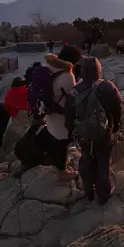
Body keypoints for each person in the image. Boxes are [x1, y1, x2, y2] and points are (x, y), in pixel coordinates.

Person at [65, 56, 123, 204]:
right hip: (104, 132)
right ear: (98, 70)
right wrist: (116, 125)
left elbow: (68, 115)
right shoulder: (107, 87)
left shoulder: (74, 92)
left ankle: (88, 191)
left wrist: (72, 131)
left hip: (83, 133)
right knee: (103, 161)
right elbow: (118, 108)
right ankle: (103, 194)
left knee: (86, 157)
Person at [25, 45, 82, 175]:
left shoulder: (48, 65)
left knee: (55, 136)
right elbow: (73, 99)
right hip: (61, 115)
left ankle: (56, 162)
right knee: (62, 142)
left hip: (49, 111)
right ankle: (62, 172)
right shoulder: (67, 75)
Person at [2, 77, 31, 154]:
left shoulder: (10, 93)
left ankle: (7, 148)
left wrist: (13, 113)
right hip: (29, 112)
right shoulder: (27, 90)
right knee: (27, 130)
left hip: (17, 114)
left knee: (14, 131)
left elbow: (7, 106)